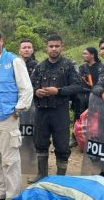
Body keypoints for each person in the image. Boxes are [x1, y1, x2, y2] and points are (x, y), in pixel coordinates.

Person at [0, 29, 33, 199]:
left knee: (10, 161)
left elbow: (26, 89)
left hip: (6, 117)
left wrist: (18, 110)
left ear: (1, 40)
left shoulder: (14, 61)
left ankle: (12, 196)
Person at [28, 34, 81, 183]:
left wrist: (58, 91)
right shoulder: (40, 66)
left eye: (57, 46)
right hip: (41, 111)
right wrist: (36, 92)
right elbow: (29, 86)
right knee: (40, 143)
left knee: (62, 146)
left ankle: (60, 179)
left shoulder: (69, 65)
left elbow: (77, 86)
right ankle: (42, 174)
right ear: (46, 48)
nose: (54, 49)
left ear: (61, 47)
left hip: (60, 111)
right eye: (51, 46)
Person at [70, 47, 103, 147]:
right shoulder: (82, 68)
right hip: (80, 97)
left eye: (85, 53)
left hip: (94, 97)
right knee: (78, 118)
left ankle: (93, 141)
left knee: (94, 120)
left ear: (92, 55)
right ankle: (75, 138)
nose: (83, 55)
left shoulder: (100, 67)